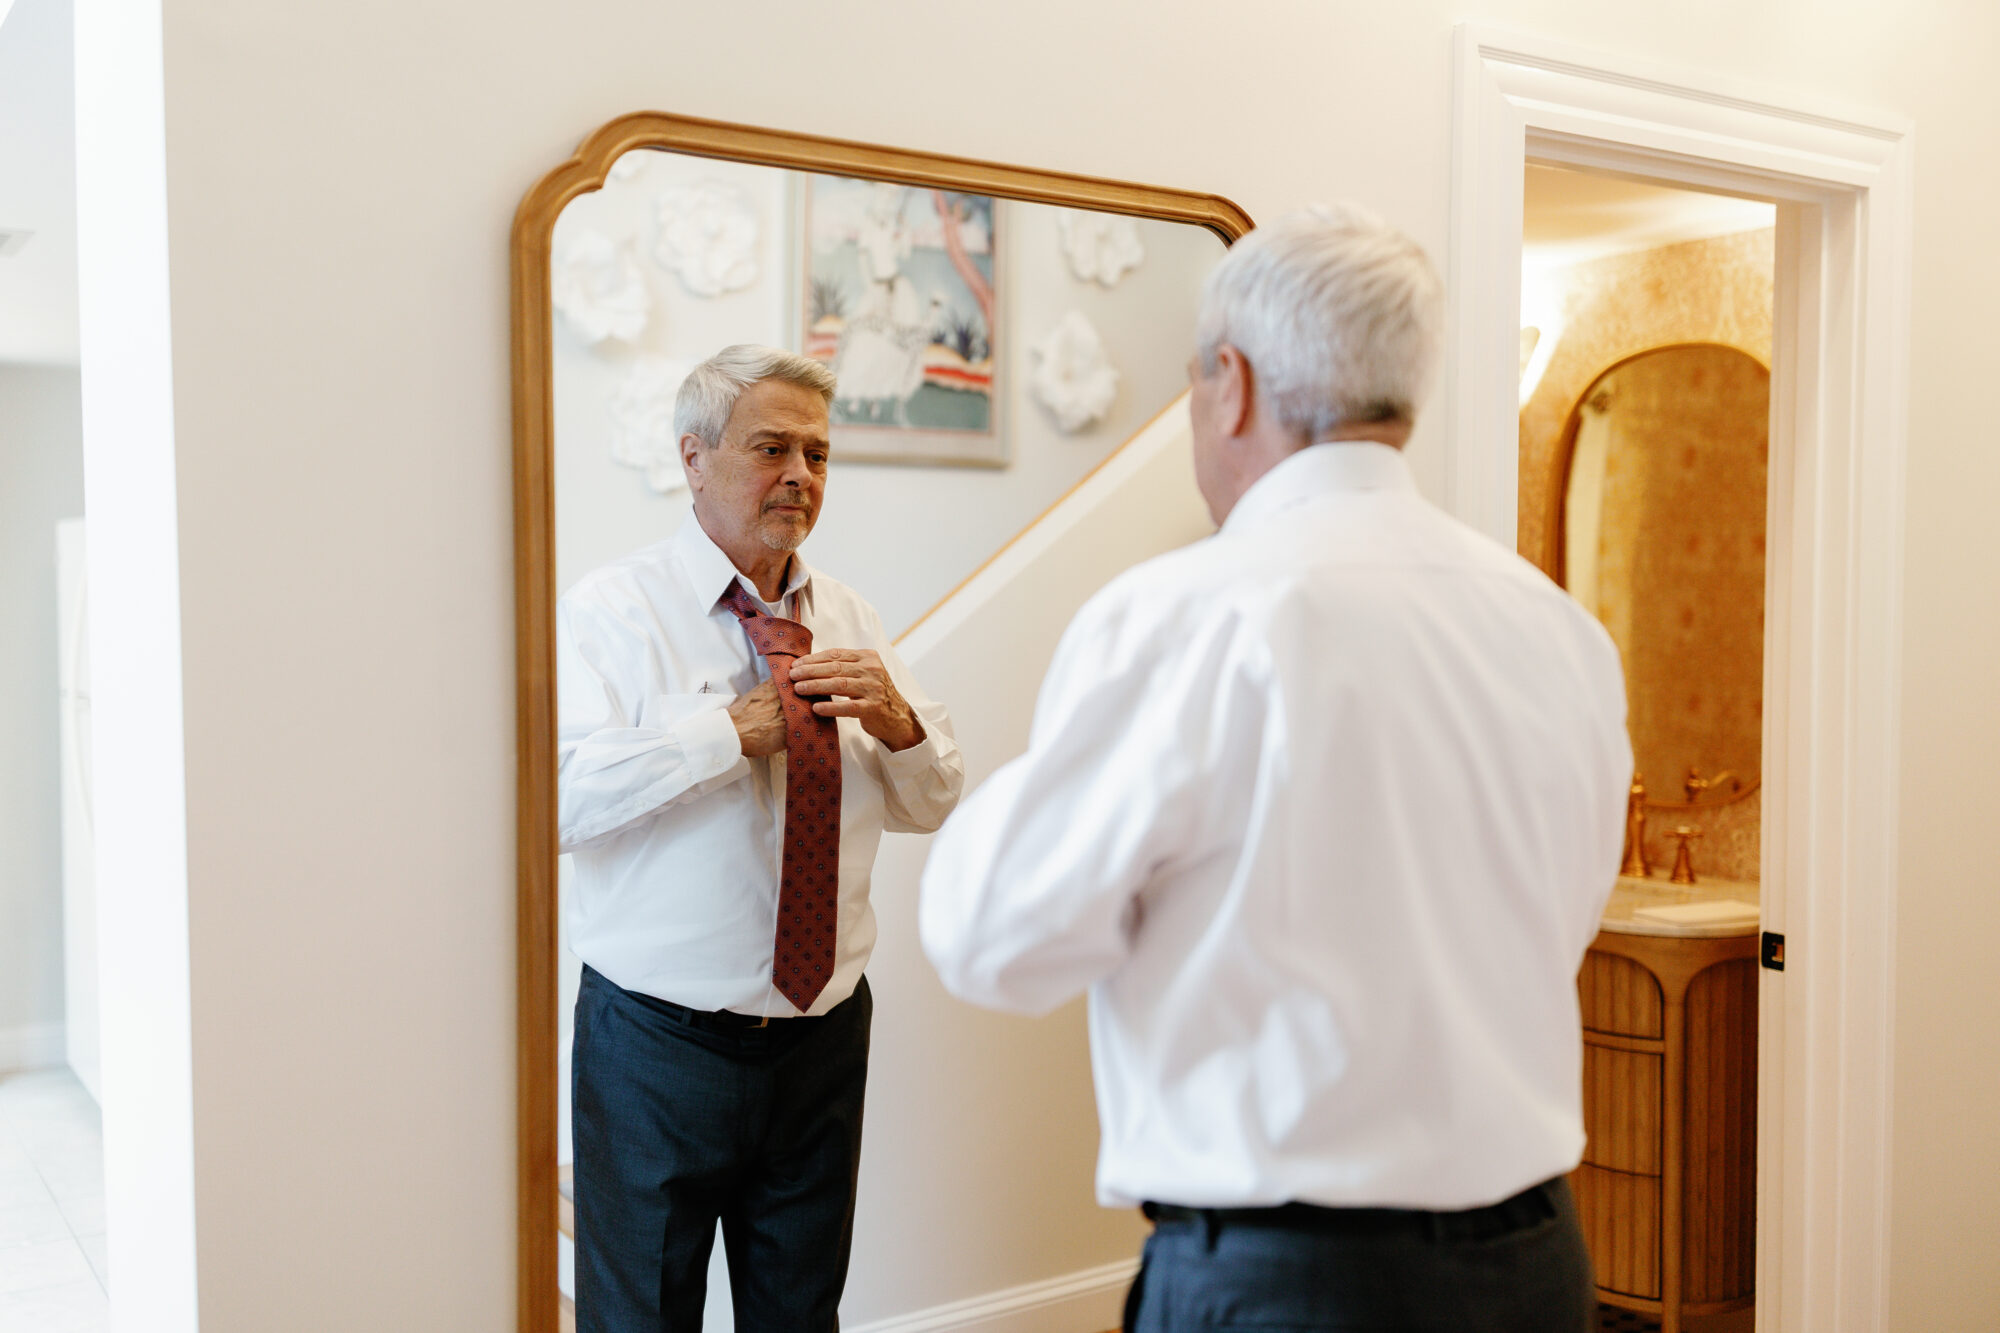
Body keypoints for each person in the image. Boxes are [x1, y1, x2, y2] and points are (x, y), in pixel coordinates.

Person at [917, 207, 1630, 1332]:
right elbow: (1565, 909)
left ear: (1231, 385)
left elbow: (996, 943)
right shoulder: (1557, 627)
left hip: (1292, 1285)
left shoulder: (1181, 617)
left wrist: (1051, 762)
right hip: (1533, 1270)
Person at [559, 344, 964, 1332]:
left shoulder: (852, 617)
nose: (800, 475)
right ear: (693, 458)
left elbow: (933, 801)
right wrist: (722, 735)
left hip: (822, 1038)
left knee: (800, 1316)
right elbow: (556, 801)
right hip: (656, 1046)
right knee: (639, 1318)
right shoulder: (613, 610)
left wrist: (900, 724)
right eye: (772, 448)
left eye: (817, 455)